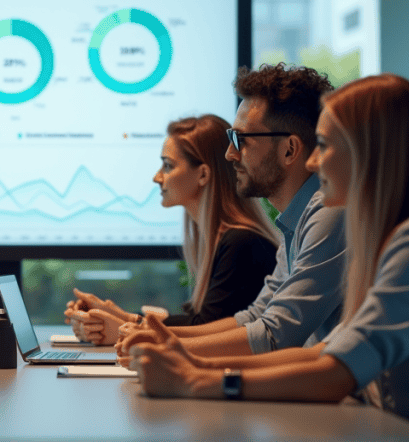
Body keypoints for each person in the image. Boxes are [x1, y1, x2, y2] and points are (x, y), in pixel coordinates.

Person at [126, 74, 409, 435]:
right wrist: (193, 365)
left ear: (370, 154)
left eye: (324, 146)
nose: (312, 161)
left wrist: (195, 379)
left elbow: (336, 370)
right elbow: (326, 352)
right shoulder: (387, 239)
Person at [117, 63, 344, 361]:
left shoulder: (328, 214)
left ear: (289, 150)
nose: (230, 154)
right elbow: (255, 316)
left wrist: (164, 347)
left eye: (241, 140)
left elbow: (276, 335)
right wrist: (152, 335)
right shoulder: (296, 221)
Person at [64, 115, 280, 345]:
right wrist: (113, 316)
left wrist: (128, 328)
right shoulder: (228, 239)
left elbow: (207, 332)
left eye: (168, 165)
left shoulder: (242, 244)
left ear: (203, 175)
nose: (157, 177)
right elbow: (200, 323)